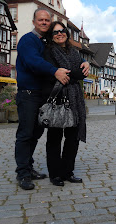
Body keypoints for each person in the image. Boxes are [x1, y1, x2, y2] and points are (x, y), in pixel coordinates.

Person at [15, 8, 89, 190]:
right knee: (25, 134)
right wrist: (55, 71)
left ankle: (29, 167)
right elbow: (34, 62)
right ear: (34, 22)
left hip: (42, 95)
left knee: (35, 133)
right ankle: (23, 172)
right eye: (41, 20)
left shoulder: (45, 42)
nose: (44, 22)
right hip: (29, 93)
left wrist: (85, 63)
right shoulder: (28, 40)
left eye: (47, 20)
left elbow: (76, 67)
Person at [42, 21, 87, 186]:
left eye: (62, 31)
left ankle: (68, 172)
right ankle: (55, 174)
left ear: (67, 34)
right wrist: (74, 73)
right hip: (58, 98)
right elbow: (63, 74)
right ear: (51, 36)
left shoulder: (74, 52)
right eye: (55, 32)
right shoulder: (49, 52)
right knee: (54, 138)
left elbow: (79, 73)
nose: (59, 34)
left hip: (75, 99)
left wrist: (80, 68)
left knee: (72, 138)